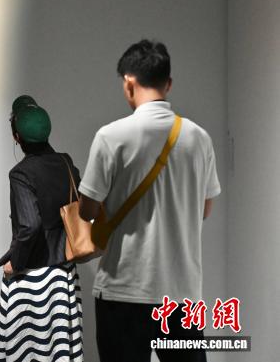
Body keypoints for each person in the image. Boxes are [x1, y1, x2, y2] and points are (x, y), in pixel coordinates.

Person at [78, 40, 221, 362]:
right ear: (168, 84)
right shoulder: (199, 138)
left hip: (122, 290)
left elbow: (87, 210)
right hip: (181, 295)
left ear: (129, 83)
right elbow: (205, 209)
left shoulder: (111, 136)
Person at [0, 96, 84, 362]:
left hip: (33, 279)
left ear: (17, 137)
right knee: (60, 351)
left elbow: (30, 226)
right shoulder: (66, 163)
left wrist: (15, 263)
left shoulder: (21, 173)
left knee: (28, 351)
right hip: (64, 276)